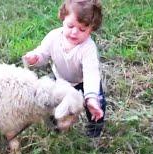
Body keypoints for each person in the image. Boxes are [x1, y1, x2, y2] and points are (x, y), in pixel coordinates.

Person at [22, 0, 106, 137]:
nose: (74, 32)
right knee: (50, 100)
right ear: (63, 18)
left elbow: (91, 74)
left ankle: (94, 130)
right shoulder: (54, 37)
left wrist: (91, 97)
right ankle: (55, 125)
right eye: (70, 25)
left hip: (82, 82)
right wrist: (36, 57)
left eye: (82, 29)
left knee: (97, 104)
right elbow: (43, 53)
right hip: (60, 78)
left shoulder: (88, 48)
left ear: (92, 28)